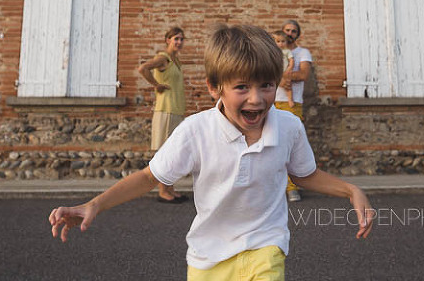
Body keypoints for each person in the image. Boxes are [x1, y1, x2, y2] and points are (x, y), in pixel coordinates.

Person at [49, 24, 373, 281]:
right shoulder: (195, 131)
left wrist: (351, 190)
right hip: (207, 259)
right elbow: (150, 176)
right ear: (214, 87)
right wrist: (94, 204)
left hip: (265, 247)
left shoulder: (288, 126)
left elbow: (304, 174)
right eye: (242, 87)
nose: (257, 99)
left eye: (266, 86)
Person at [137, 26, 188, 203]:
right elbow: (143, 68)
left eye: (182, 39)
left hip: (175, 110)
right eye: (176, 39)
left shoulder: (175, 60)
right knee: (164, 152)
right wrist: (155, 85)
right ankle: (162, 191)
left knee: (173, 152)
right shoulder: (163, 58)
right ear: (168, 40)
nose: (179, 42)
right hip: (165, 110)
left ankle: (170, 189)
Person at [274, 19, 313, 202]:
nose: (290, 33)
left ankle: (292, 187)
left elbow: (304, 74)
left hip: (292, 103)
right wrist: (279, 79)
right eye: (287, 30)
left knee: (291, 145)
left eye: (293, 31)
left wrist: (281, 77)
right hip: (272, 102)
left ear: (298, 34)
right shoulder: (274, 50)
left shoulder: (302, 52)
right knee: (272, 145)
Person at [271, 30, 295, 108]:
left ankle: (290, 99)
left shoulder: (287, 51)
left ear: (286, 42)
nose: (281, 43)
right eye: (278, 41)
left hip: (285, 71)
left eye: (283, 41)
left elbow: (291, 60)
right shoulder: (274, 51)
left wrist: (290, 68)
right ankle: (273, 101)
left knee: (288, 85)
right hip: (276, 71)